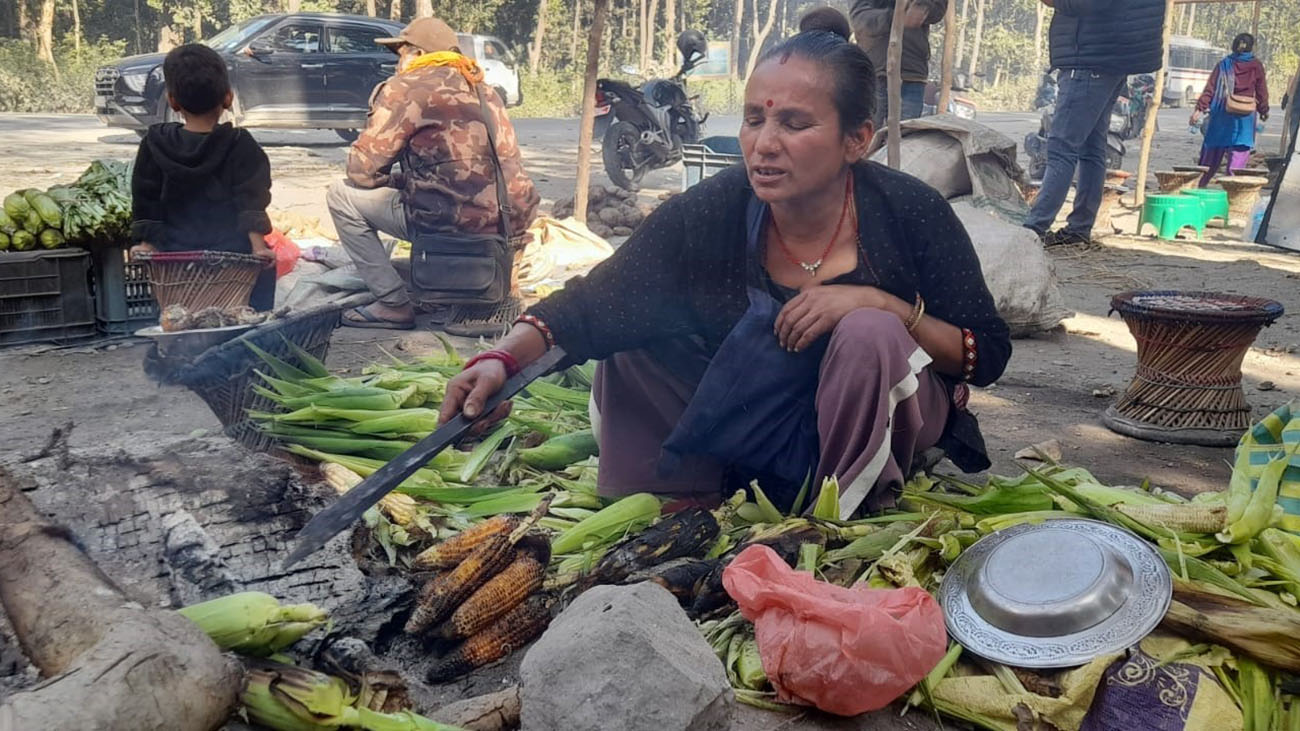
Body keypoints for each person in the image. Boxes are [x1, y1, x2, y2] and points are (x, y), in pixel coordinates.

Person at [437, 27, 1011, 517]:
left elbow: (984, 355)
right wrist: (501, 360)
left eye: (794, 123)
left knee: (869, 332)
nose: (765, 144)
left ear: (857, 139)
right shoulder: (716, 207)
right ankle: (682, 501)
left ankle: (840, 515)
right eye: (754, 119)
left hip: (880, 417)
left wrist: (882, 305)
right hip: (760, 408)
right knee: (636, 323)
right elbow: (596, 302)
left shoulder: (908, 212)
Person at [327, 17, 539, 331]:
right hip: (510, 221)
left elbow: (362, 171)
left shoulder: (406, 88)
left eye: (400, 54)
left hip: (451, 221)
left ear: (416, 53)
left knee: (340, 195)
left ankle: (392, 304)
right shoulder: (484, 89)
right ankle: (484, 286)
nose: (398, 63)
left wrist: (394, 181)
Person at [130, 44, 276, 310]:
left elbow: (146, 199)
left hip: (174, 261)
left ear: (173, 101)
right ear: (228, 98)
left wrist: (147, 244)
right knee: (256, 300)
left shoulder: (154, 143)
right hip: (232, 258)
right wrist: (258, 249)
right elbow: (251, 198)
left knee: (177, 316)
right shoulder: (241, 144)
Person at [1023, 0, 1166, 247]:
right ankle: (1079, 228)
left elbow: (1082, 4)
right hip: (1107, 59)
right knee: (1091, 148)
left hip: (1089, 61)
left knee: (1061, 148)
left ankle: (1035, 228)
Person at [849, 0, 947, 128]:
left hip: (912, 72)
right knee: (867, 133)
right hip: (876, 71)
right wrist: (896, 17)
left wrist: (922, 6)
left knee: (905, 135)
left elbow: (938, 9)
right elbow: (859, 19)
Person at [1191, 33, 1268, 188]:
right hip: (1244, 119)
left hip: (1222, 114)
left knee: (1210, 155)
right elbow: (1261, 91)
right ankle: (1232, 191)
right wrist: (1263, 110)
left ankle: (1198, 186)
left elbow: (1210, 89)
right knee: (1238, 157)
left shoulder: (1223, 64)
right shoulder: (1256, 66)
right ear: (1251, 47)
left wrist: (1199, 109)